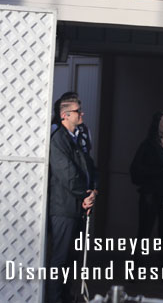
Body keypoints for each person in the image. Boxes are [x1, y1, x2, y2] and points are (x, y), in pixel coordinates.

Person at [47, 95, 97, 303]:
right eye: (78, 111)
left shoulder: (77, 138)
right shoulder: (58, 139)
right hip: (63, 208)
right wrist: (84, 195)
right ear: (65, 115)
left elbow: (89, 167)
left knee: (71, 259)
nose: (82, 113)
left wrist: (93, 191)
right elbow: (66, 173)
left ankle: (66, 296)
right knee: (60, 258)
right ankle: (54, 299)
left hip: (77, 207)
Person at [130, 111, 163, 241]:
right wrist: (160, 170)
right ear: (157, 125)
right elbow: (135, 170)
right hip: (151, 195)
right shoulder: (147, 145)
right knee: (145, 230)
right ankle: (139, 260)